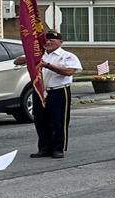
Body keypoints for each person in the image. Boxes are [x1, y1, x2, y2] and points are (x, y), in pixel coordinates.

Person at [30, 31, 80, 160]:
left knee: (58, 121)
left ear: (60, 42)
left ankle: (58, 148)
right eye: (46, 40)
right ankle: (44, 148)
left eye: (52, 40)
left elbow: (69, 71)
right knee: (40, 120)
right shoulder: (39, 55)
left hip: (58, 90)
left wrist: (47, 65)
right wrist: (30, 58)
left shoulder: (67, 56)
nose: (48, 42)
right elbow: (17, 61)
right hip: (40, 91)